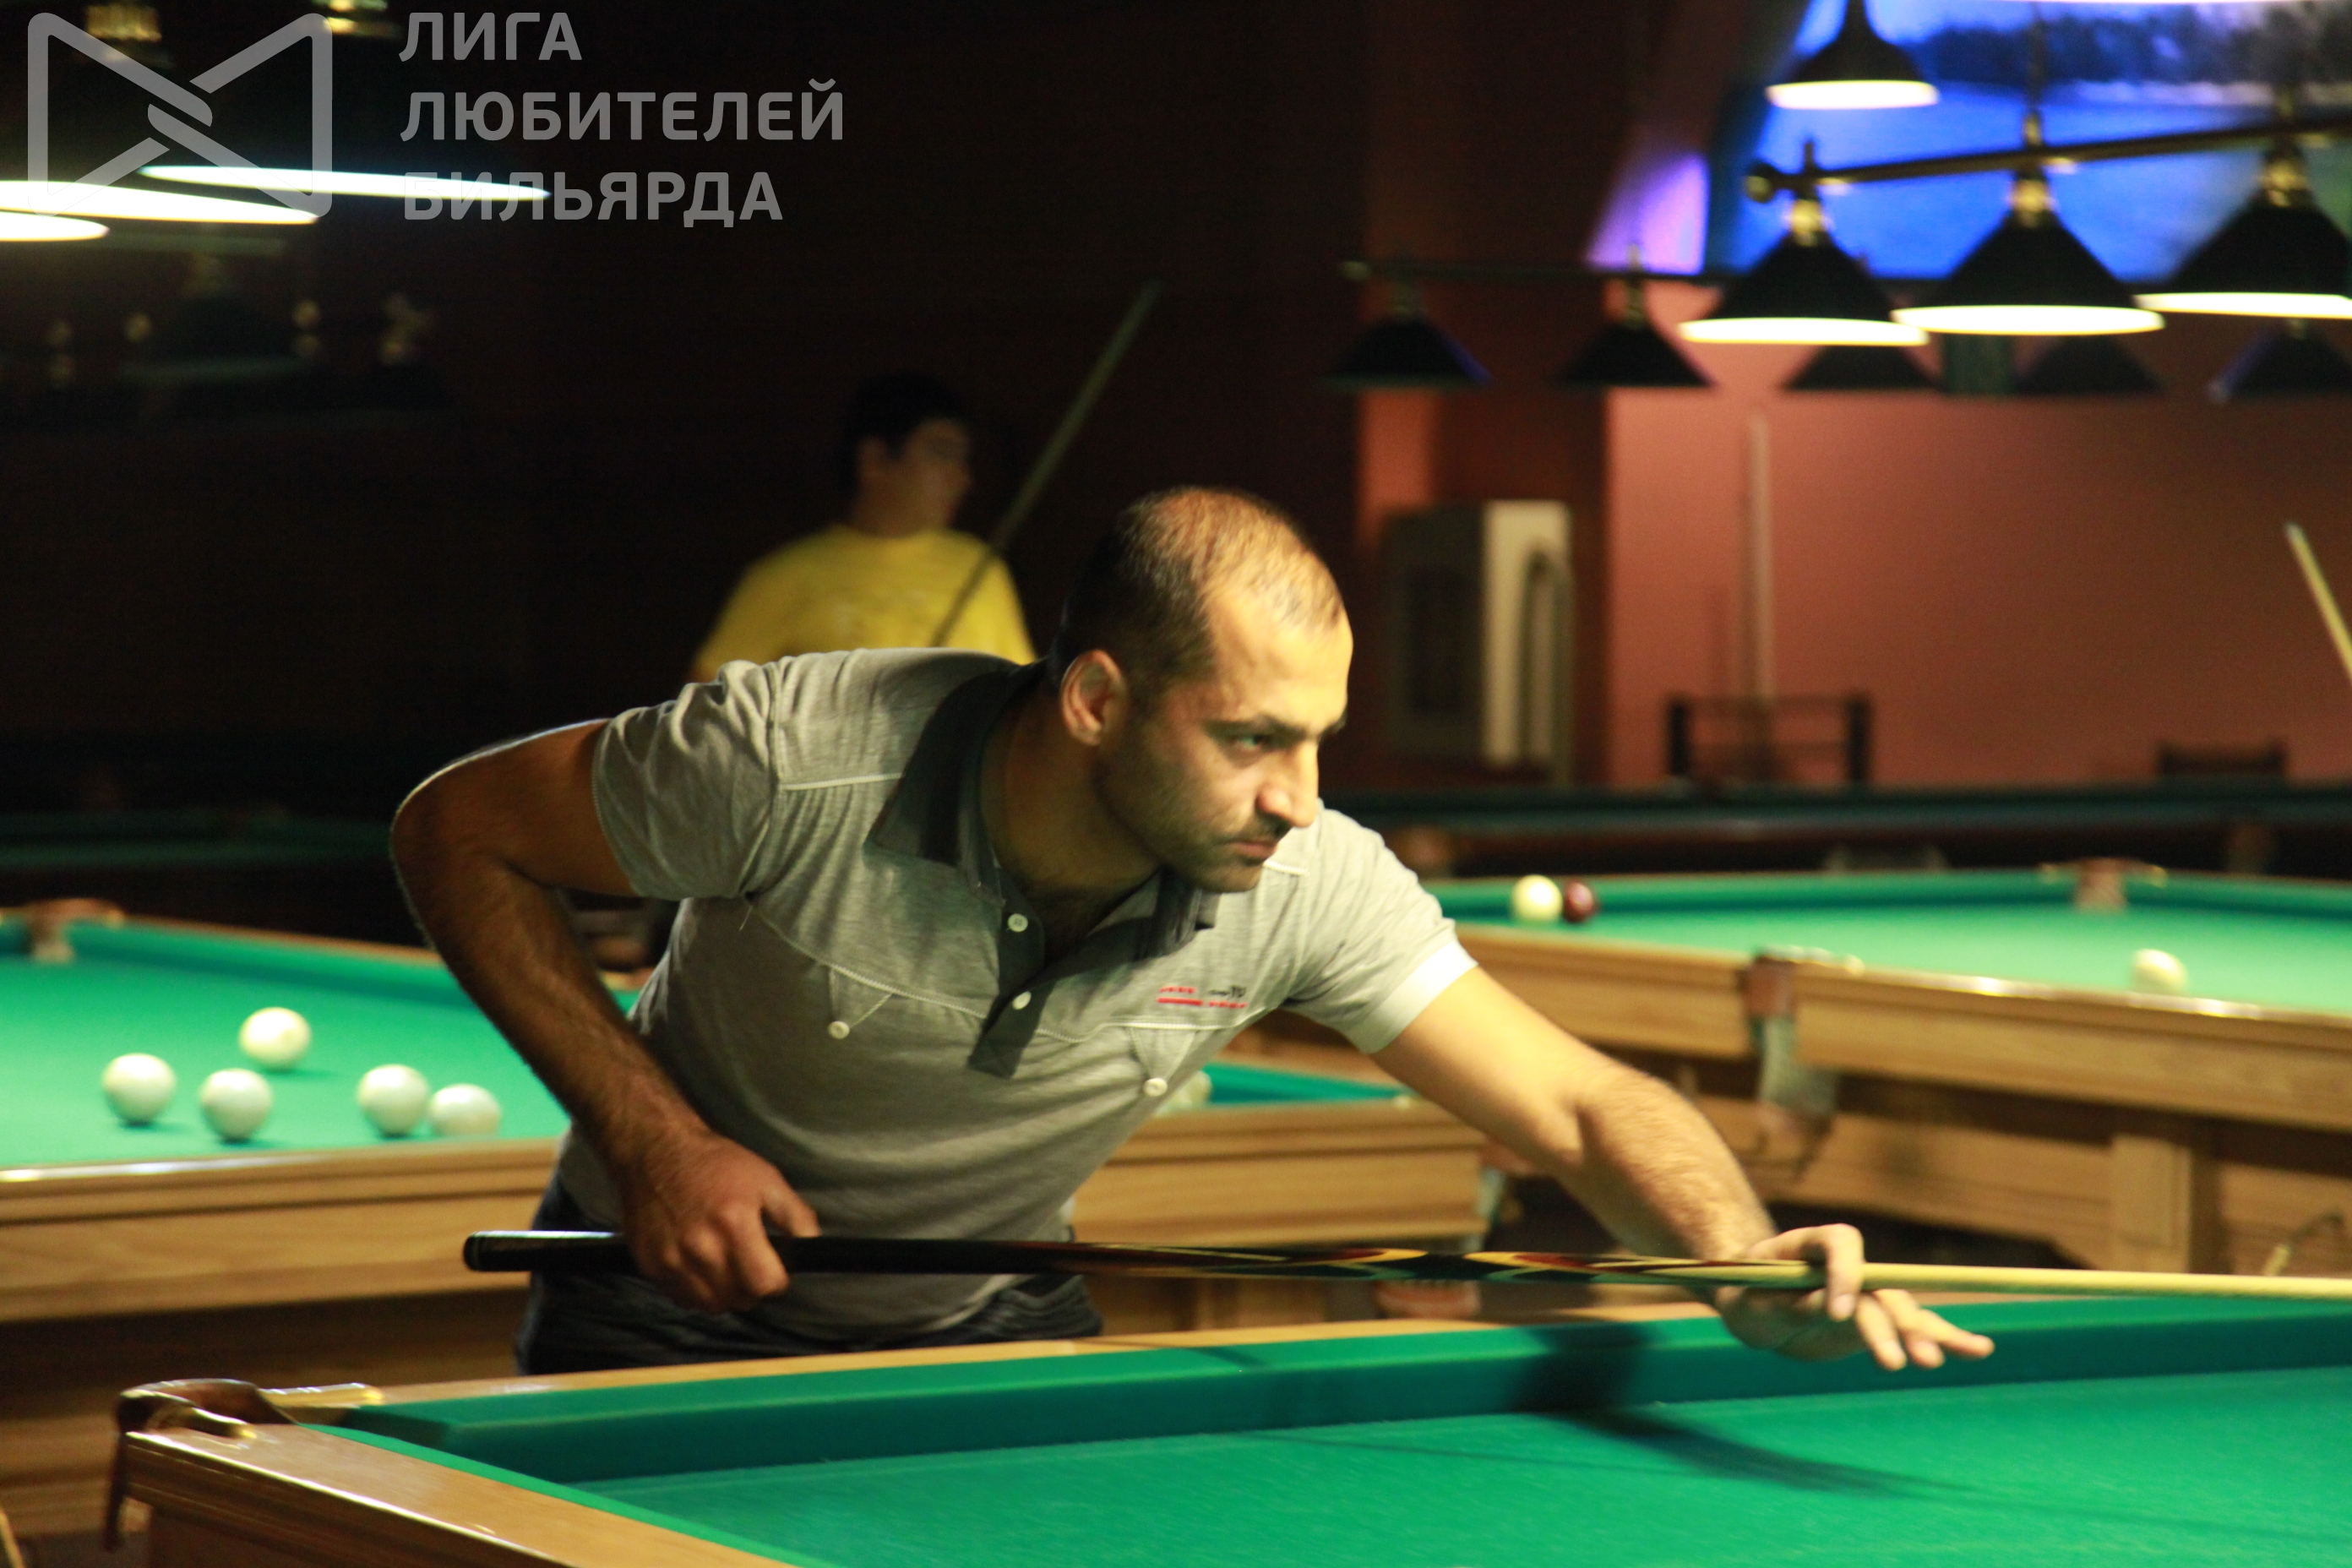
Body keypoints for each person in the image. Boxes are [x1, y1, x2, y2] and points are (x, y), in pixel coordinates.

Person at [393, 487, 1993, 1376]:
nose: (1300, 797)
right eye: (1250, 739)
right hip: (655, 1315)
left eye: (1320, 741)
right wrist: (656, 1142)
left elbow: (1577, 1104)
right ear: (1096, 700)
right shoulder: (792, 759)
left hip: (988, 1320)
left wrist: (1733, 1259)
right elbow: (453, 831)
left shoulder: (1301, 873)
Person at [689, 373, 1033, 679]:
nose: (961, 478)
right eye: (940, 453)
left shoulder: (981, 568)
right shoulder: (784, 579)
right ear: (875, 460)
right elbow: (706, 711)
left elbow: (1022, 696)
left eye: (962, 459)